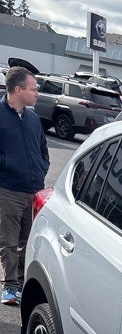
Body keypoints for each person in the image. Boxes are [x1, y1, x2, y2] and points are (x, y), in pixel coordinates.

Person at [0, 67, 49, 306]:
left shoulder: (33, 119)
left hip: (34, 190)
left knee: (28, 240)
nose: (37, 94)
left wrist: (40, 169)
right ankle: (9, 287)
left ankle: (20, 282)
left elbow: (42, 150)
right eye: (33, 89)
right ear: (18, 90)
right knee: (8, 241)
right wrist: (9, 166)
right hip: (8, 190)